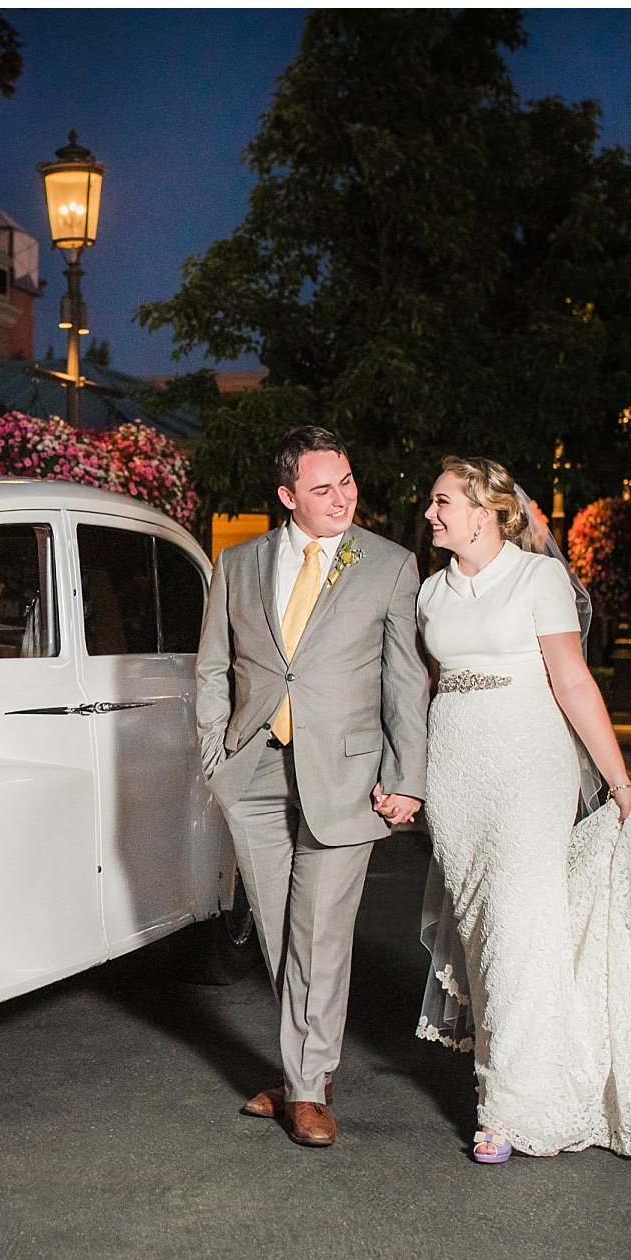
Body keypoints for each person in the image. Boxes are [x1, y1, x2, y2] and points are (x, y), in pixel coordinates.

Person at [414, 455, 631, 1162]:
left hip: (527, 768)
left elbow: (572, 681)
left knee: (517, 923)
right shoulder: (429, 594)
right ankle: (529, 1072)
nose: (430, 514)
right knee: (484, 934)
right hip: (455, 771)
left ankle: (502, 1108)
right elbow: (420, 692)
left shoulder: (538, 578)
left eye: (442, 501)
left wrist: (619, 778)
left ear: (483, 511)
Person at [195, 426, 429, 1148]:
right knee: (278, 929)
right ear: (288, 495)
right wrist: (214, 754)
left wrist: (406, 777)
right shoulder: (236, 564)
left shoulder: (389, 565)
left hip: (347, 775)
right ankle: (309, 1068)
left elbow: (406, 682)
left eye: (349, 481)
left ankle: (304, 1089)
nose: (342, 497)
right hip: (255, 766)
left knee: (319, 933)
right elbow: (212, 667)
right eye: (323, 488)